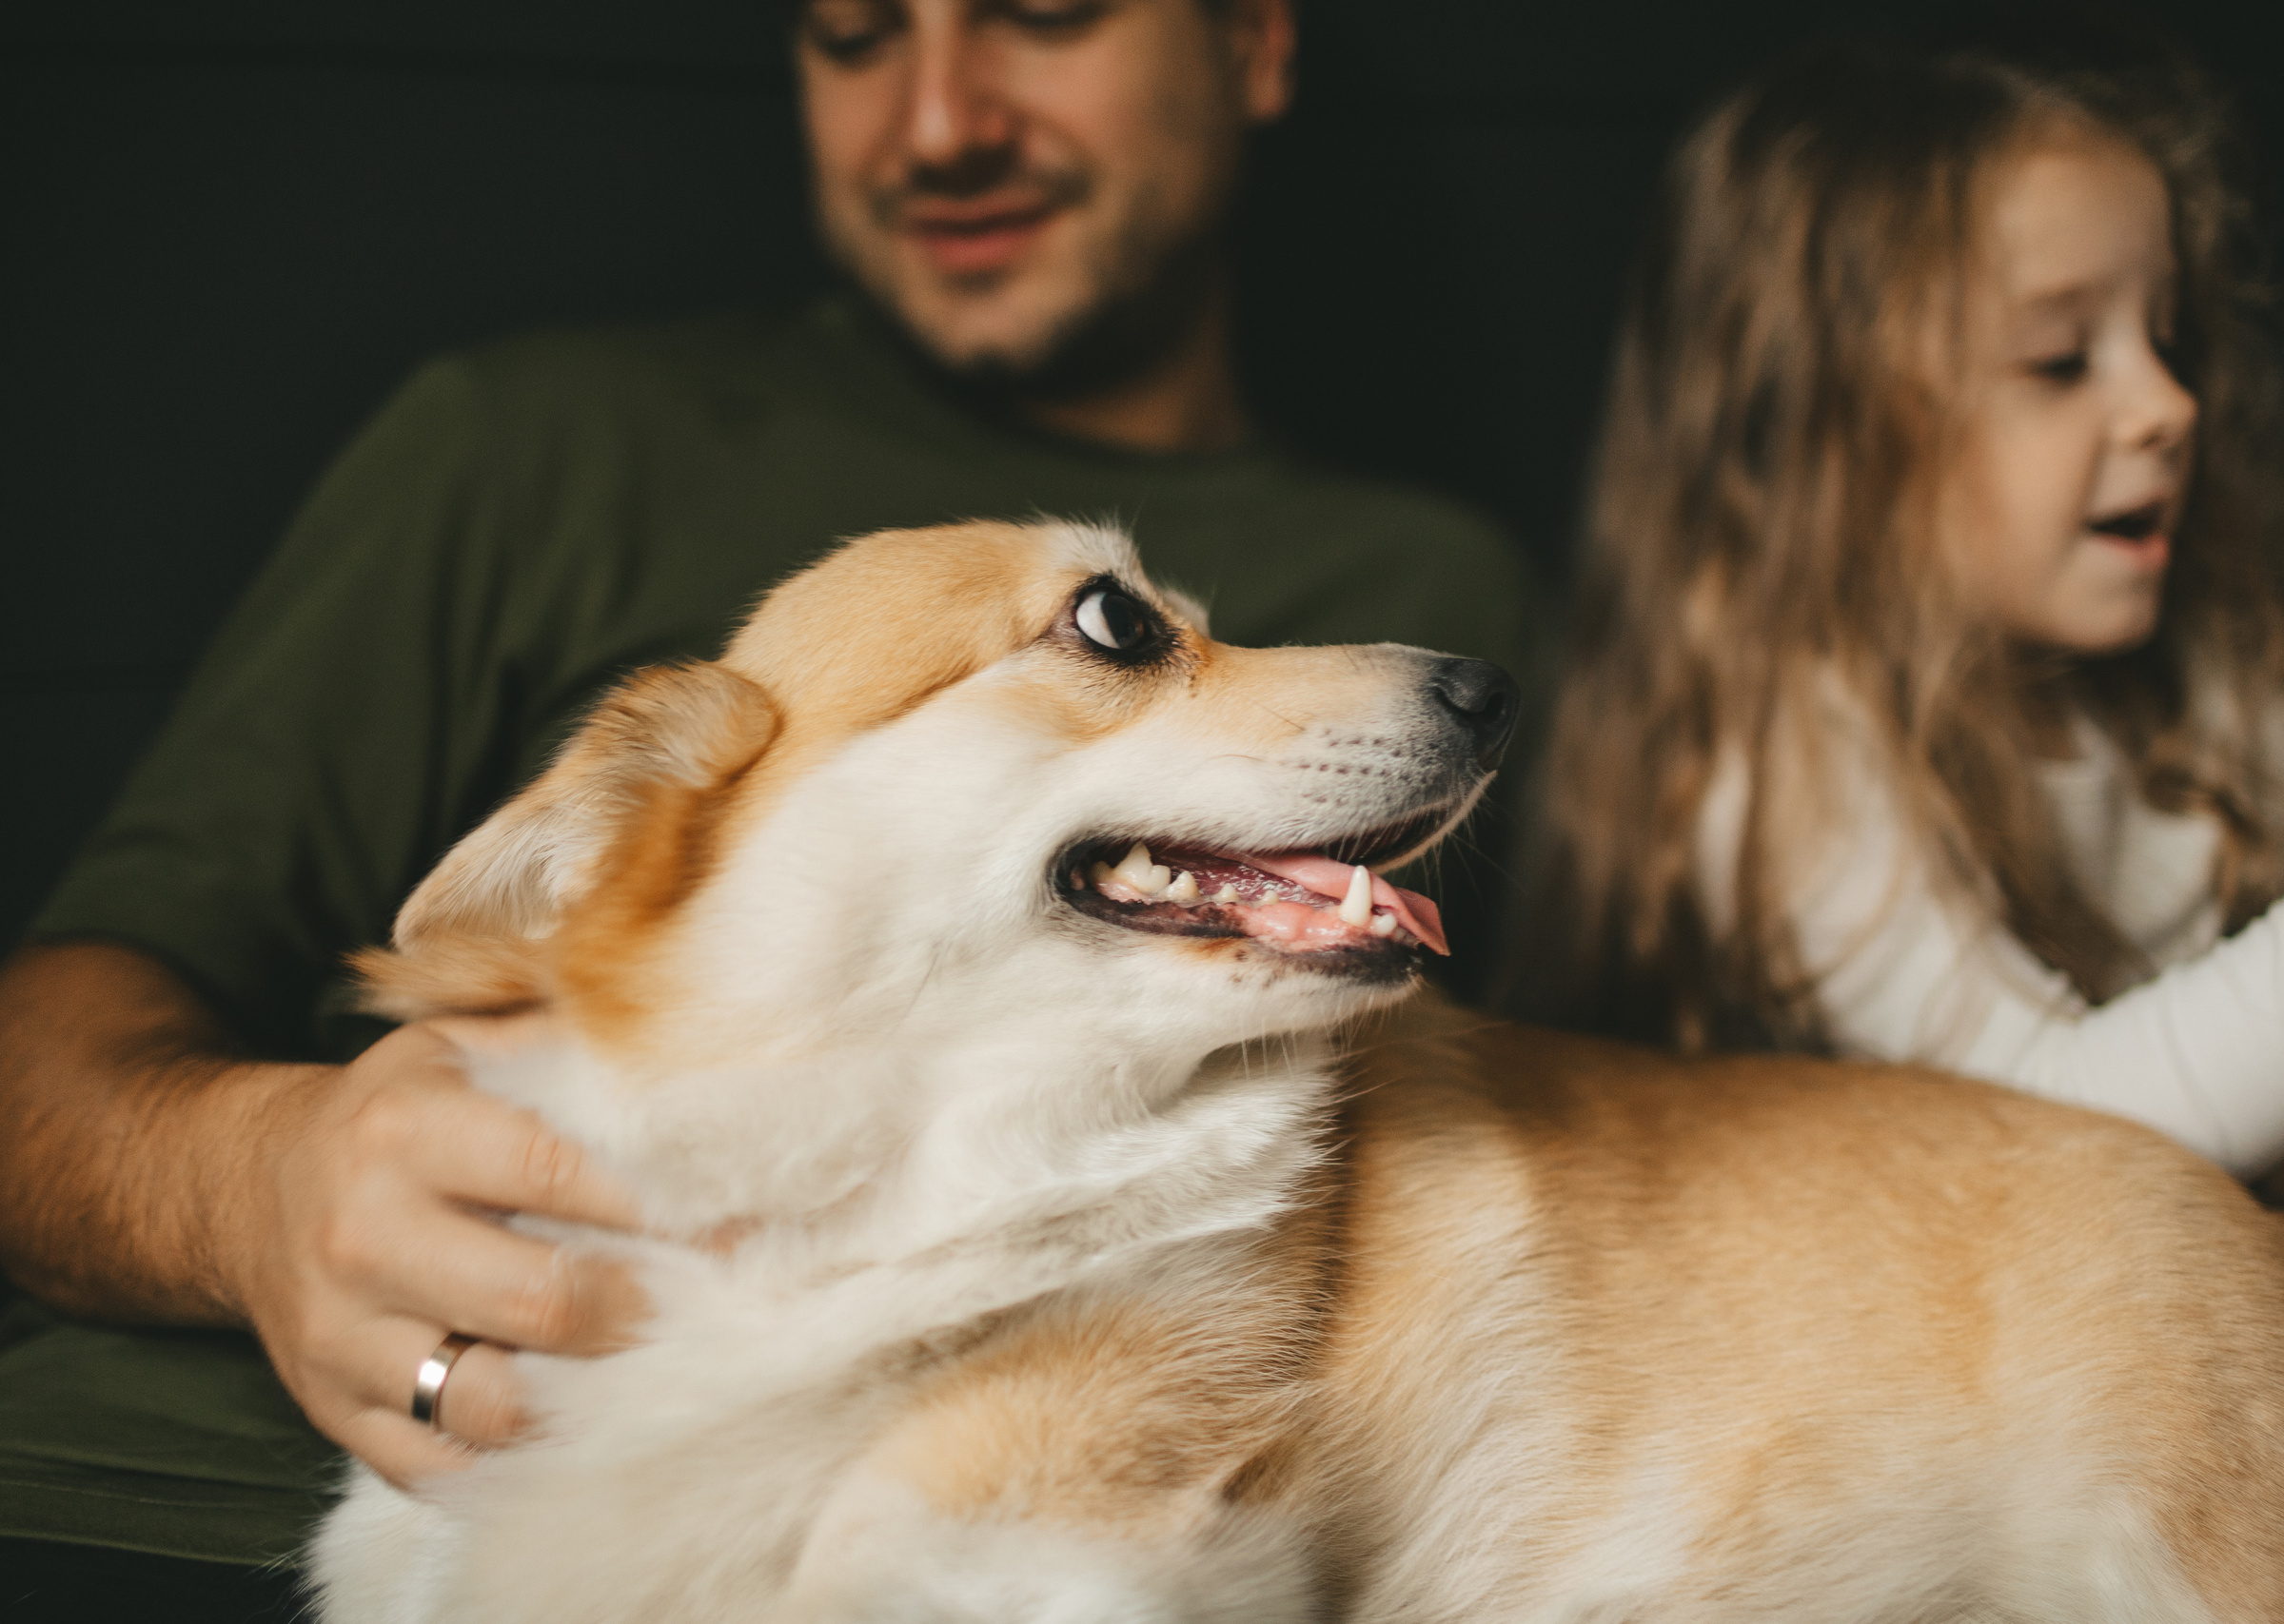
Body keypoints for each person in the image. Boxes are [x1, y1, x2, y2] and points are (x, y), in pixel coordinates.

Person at [0, 0, 1536, 1595]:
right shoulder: (531, 443)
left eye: (1043, 15)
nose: (941, 122)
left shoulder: (1431, 599)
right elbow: (33, 1056)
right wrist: (257, 1182)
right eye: (857, 36)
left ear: (1255, 44)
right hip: (125, 1496)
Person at [1507, 29, 2284, 1198]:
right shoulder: (1778, 768)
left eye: (2166, 336)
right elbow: (2066, 1133)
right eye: (2060, 360)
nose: (2169, 403)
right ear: (1825, 444)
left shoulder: (2166, 675)